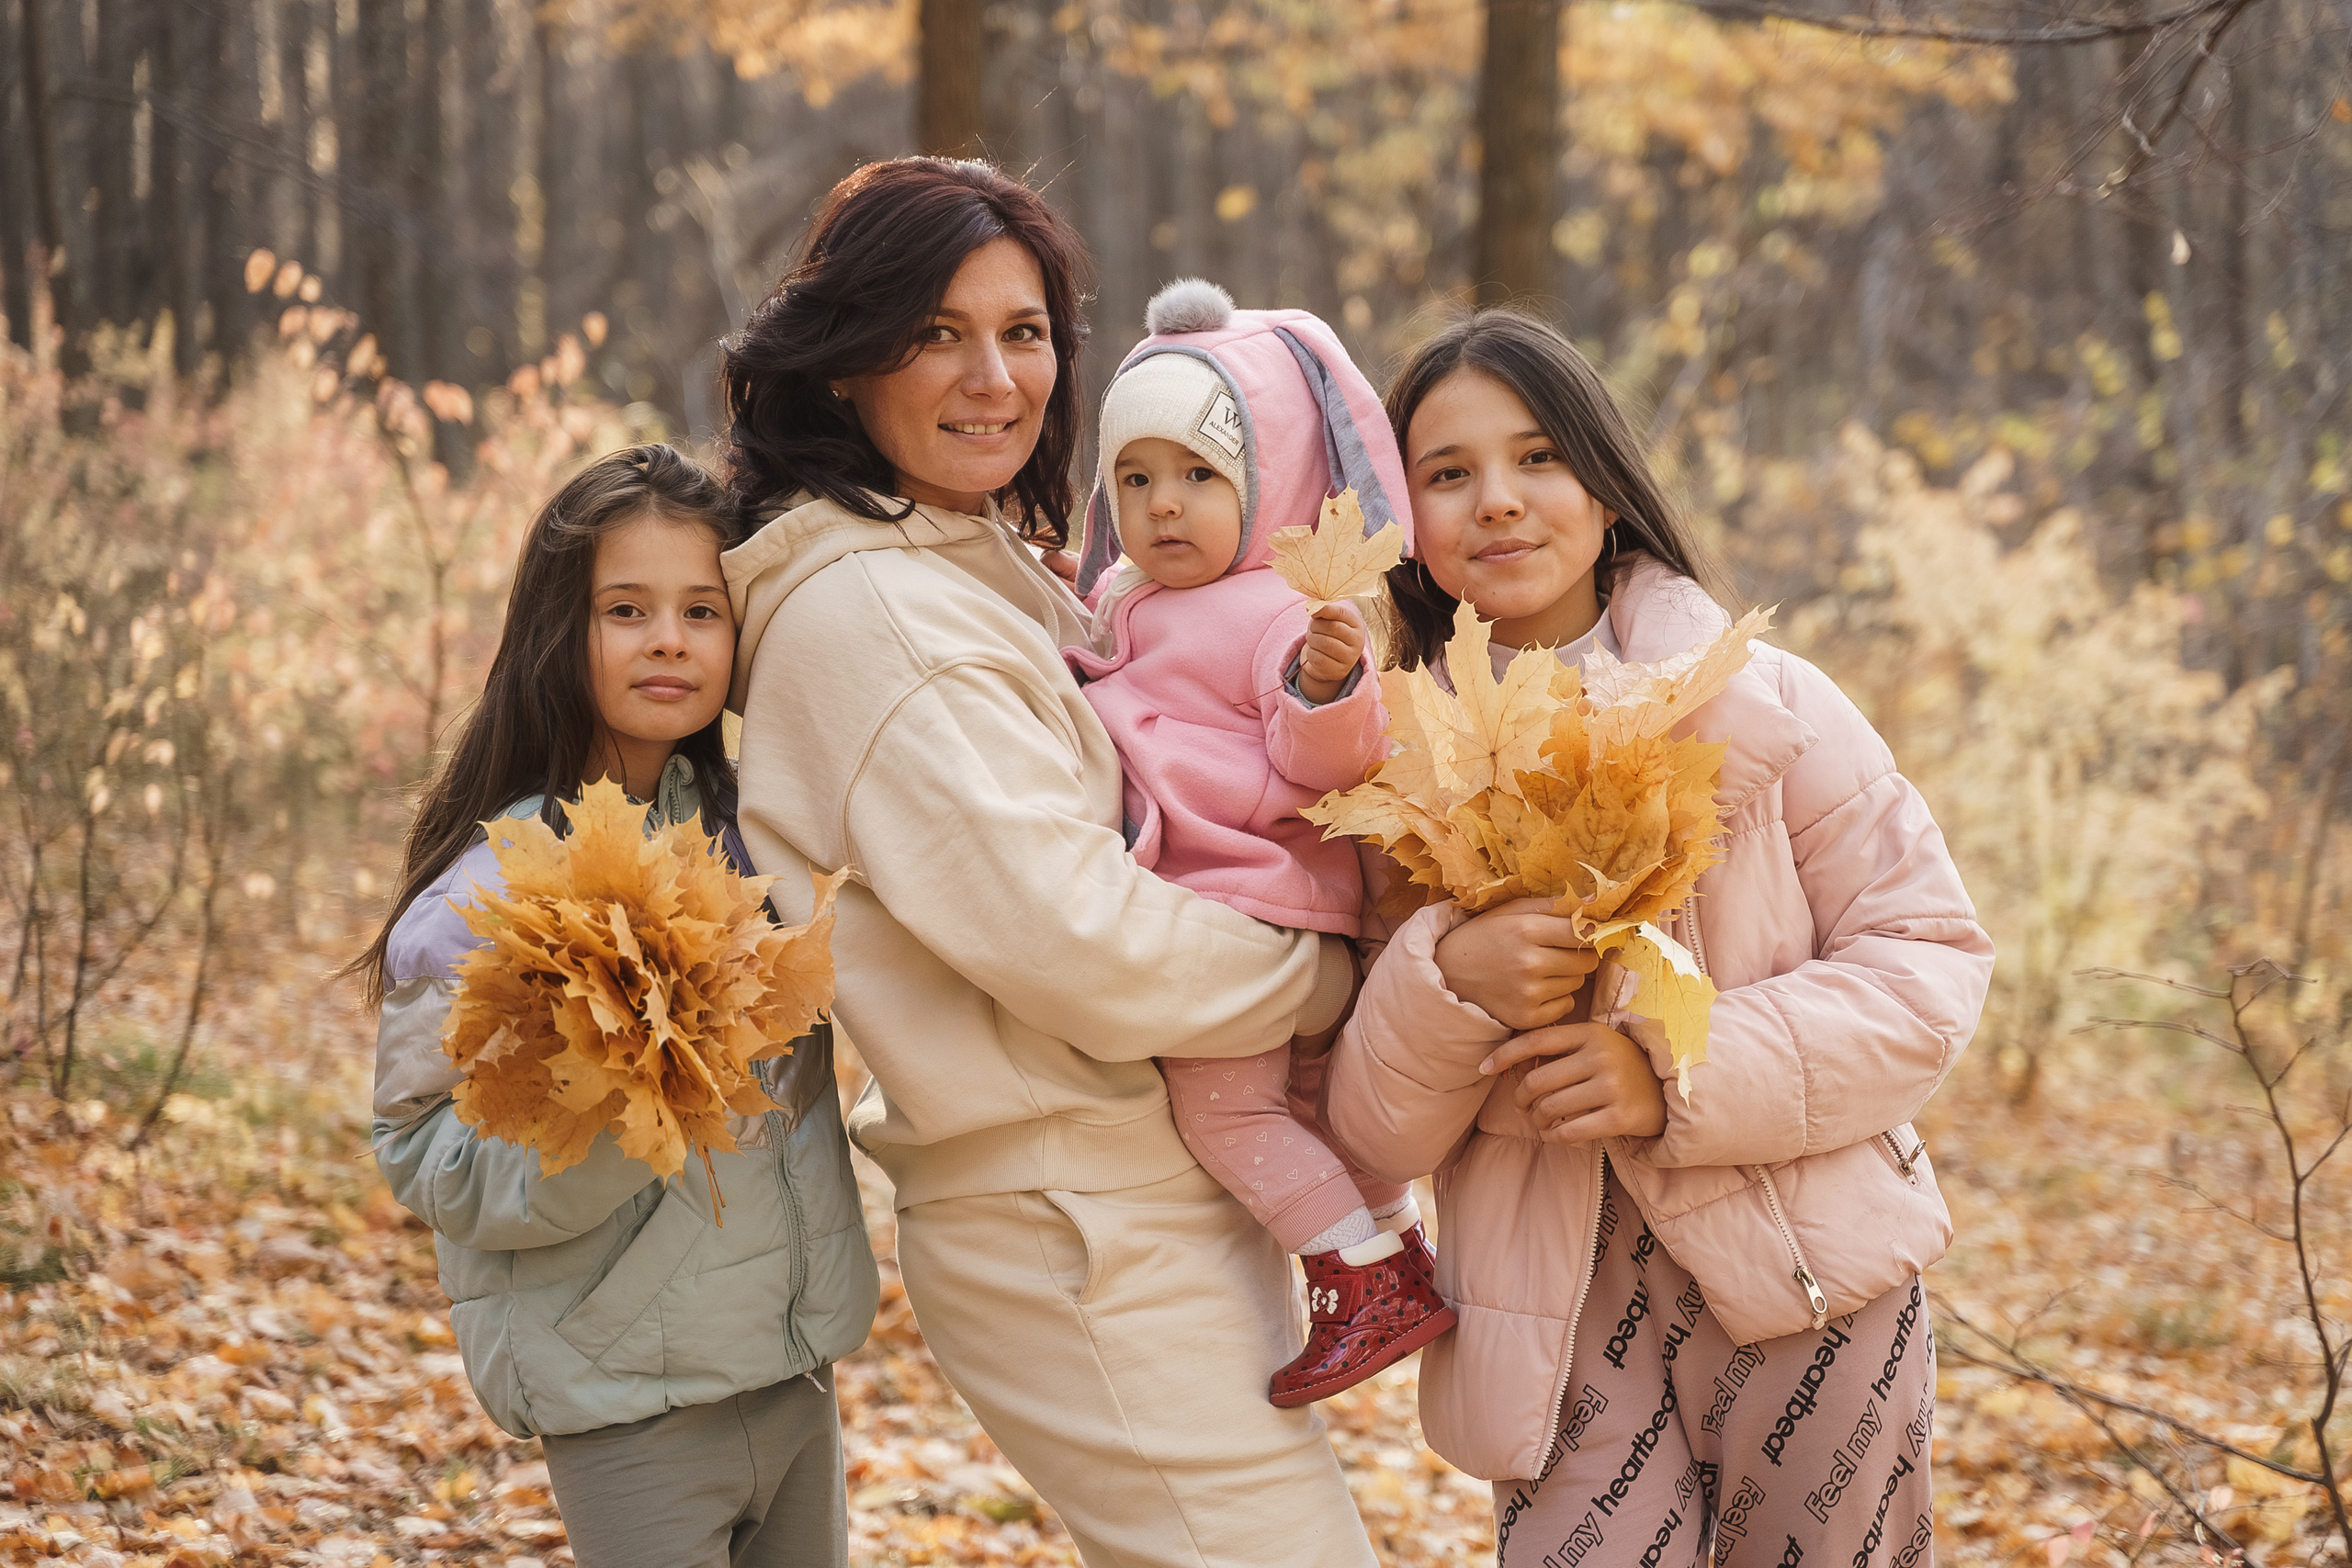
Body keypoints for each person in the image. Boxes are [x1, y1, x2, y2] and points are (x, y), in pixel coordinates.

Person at [718, 158, 1378, 1567]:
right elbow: (1077, 936)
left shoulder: (972, 565)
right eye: (934, 332)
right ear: (841, 365)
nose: (993, 376)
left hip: (1136, 1188)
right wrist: (1330, 977)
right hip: (1071, 1216)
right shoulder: (873, 615)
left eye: (1023, 332)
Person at [1322, 311, 1992, 1567]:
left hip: (1808, 1284)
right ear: (1401, 514)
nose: (1499, 502)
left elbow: (1930, 966)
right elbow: (1367, 1126)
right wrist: (1447, 981)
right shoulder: (1388, 776)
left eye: (1536, 457)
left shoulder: (1768, 706)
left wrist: (1668, 1068)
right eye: (1448, 472)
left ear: (1602, 480)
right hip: (1555, 1319)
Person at [353, 446, 879, 1568]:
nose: (669, 640)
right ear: (558, 631)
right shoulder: (488, 895)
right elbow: (416, 1147)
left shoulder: (762, 845)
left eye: (702, 609)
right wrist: (599, 1127)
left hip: (793, 1374)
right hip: (628, 1399)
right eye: (625, 609)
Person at [1063, 276, 1452, 1407]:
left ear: (1265, 483)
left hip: (1249, 898)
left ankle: (1356, 1280)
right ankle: (1395, 1244)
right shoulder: (1136, 595)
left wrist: (1326, 688)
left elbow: (1327, 762)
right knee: (1308, 1109)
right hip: (1256, 904)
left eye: (1197, 476)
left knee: (1224, 1109)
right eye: (1134, 480)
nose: (1163, 505)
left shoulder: (1280, 609)